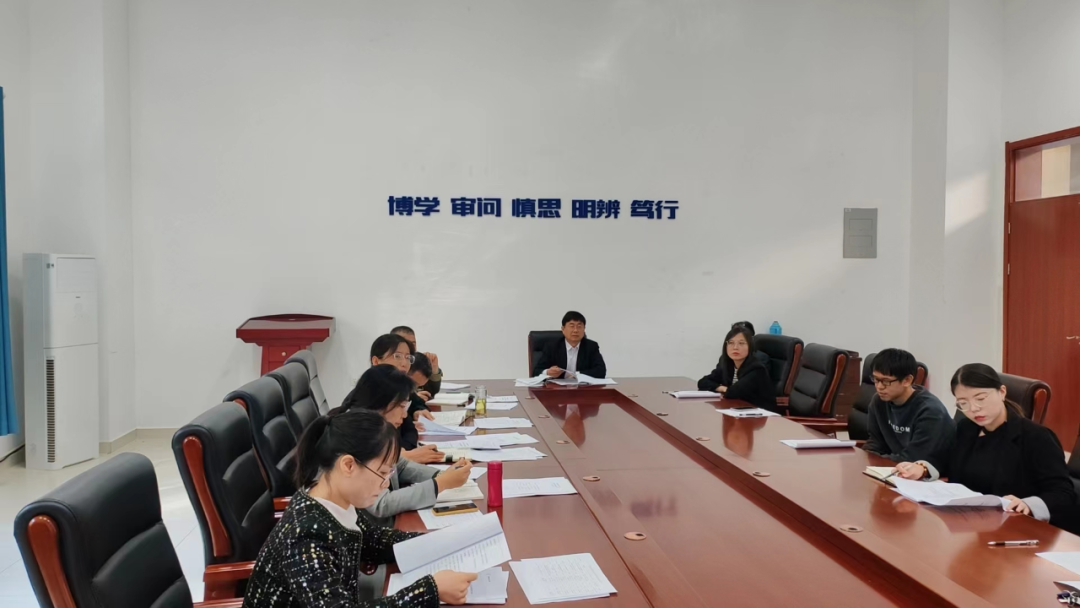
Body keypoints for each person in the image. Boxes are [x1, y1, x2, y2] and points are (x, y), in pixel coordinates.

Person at [243, 408, 476, 607]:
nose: (385, 485)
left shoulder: (333, 499)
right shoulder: (306, 538)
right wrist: (430, 590)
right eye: (382, 473)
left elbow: (374, 540)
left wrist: (437, 542)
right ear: (348, 465)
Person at [895, 363, 1077, 528]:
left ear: (1002, 392)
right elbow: (946, 459)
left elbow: (1063, 493)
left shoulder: (1036, 437)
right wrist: (922, 468)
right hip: (968, 525)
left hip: (1015, 528)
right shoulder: (966, 428)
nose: (973, 409)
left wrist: (1028, 504)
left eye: (980, 399)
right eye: (963, 403)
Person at [337, 365, 473, 526]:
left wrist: (441, 475)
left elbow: (399, 466)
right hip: (373, 530)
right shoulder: (357, 435)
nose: (405, 414)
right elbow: (381, 504)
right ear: (381, 402)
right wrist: (440, 484)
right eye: (401, 406)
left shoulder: (377, 428)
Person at [356, 334, 441, 464]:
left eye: (408, 357)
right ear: (376, 361)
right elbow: (367, 457)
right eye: (397, 356)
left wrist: (403, 453)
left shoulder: (398, 389)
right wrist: (401, 456)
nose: (404, 363)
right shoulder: (368, 396)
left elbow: (410, 430)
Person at [861, 348, 954, 464]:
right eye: (876, 379)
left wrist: (877, 462)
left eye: (886, 381)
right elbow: (876, 442)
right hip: (895, 466)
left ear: (907, 380)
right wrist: (863, 458)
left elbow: (914, 457)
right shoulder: (878, 401)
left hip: (922, 469)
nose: (879, 386)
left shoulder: (930, 411)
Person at [697, 325, 777, 411]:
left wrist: (722, 389)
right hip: (736, 409)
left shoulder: (757, 368)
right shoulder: (726, 363)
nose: (735, 347)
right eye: (731, 343)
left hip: (759, 413)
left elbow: (733, 393)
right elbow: (703, 382)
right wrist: (722, 388)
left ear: (750, 347)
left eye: (741, 343)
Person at [531, 311, 607, 379]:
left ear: (584, 330)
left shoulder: (591, 346)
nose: (575, 330)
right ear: (563, 329)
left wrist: (577, 375)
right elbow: (535, 372)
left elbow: (601, 371)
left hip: (582, 388)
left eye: (579, 326)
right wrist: (547, 372)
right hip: (558, 389)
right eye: (571, 326)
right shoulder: (552, 346)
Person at [393, 325, 443, 396]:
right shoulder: (384, 367)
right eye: (406, 343)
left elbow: (432, 391)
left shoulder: (416, 362)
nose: (411, 348)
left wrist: (434, 370)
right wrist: (413, 397)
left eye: (413, 344)